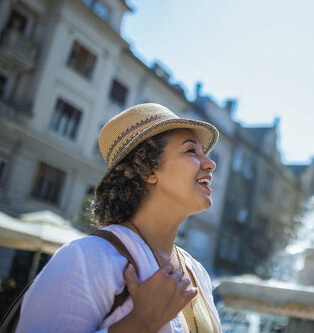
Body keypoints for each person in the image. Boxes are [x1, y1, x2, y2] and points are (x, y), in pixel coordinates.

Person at [17, 103, 222, 332]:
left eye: (205, 152)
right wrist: (141, 323)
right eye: (191, 151)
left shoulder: (197, 272)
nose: (210, 164)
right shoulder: (85, 259)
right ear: (147, 169)